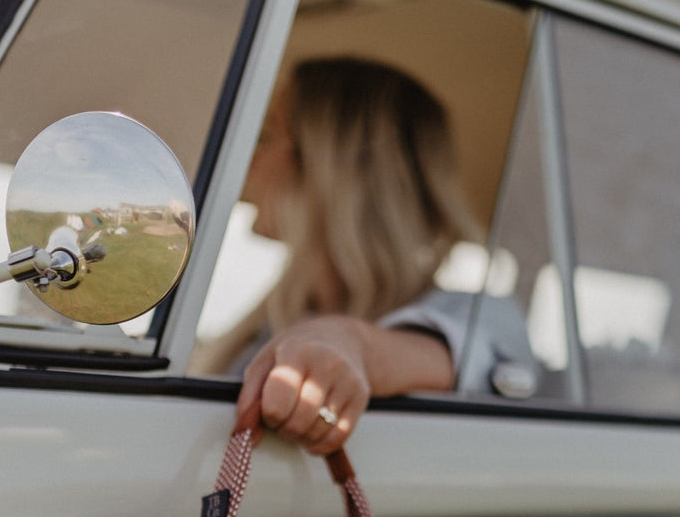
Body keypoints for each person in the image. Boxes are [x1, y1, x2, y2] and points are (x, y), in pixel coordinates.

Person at [190, 57, 533, 454]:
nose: (249, 159)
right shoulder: (261, 328)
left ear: (325, 170)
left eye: (267, 135)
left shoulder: (476, 317)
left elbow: (477, 359)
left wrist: (350, 346)